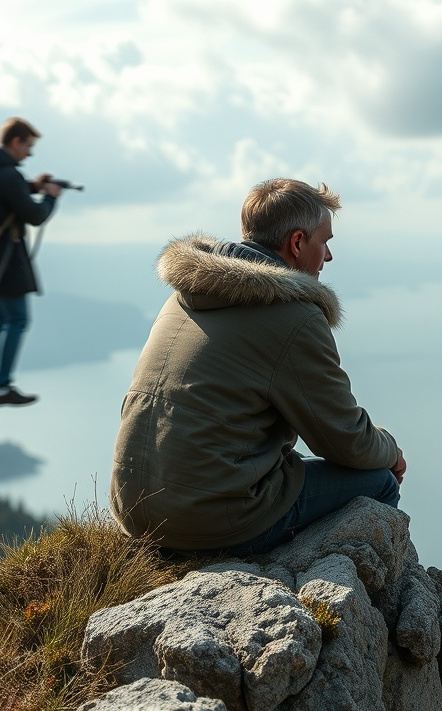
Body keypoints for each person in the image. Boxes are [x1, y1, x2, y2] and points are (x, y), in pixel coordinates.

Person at [109, 178, 406, 554]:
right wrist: (390, 450)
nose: (328, 256)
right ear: (297, 243)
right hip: (207, 520)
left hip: (135, 512)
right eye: (325, 241)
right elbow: (344, 439)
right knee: (379, 480)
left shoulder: (185, 295)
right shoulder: (292, 317)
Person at [0, 117, 63, 406]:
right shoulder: (7, 174)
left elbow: (6, 197)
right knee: (17, 319)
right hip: (4, 262)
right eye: (28, 147)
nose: (29, 154)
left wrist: (32, 185)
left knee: (3, 319)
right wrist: (51, 198)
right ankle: (3, 387)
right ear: (15, 142)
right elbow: (35, 215)